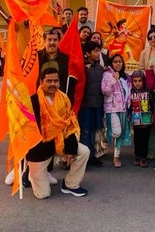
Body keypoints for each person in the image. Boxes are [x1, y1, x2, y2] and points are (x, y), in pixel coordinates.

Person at [25, 68, 89, 199]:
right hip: (39, 149)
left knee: (84, 151)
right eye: (49, 81)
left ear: (59, 83)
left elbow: (69, 123)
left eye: (55, 81)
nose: (52, 84)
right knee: (43, 194)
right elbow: (26, 131)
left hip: (59, 141)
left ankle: (71, 185)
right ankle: (30, 173)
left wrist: (70, 147)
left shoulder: (64, 99)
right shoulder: (32, 101)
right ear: (41, 82)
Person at [101, 54, 132, 167]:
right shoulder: (107, 75)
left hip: (124, 109)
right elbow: (105, 91)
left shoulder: (127, 77)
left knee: (120, 134)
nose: (118, 64)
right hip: (112, 108)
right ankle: (104, 135)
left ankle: (116, 157)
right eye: (115, 62)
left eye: (120, 61)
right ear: (111, 63)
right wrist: (114, 79)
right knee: (116, 132)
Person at [79, 41, 105, 166]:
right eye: (95, 51)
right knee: (85, 131)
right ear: (87, 53)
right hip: (85, 105)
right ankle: (85, 156)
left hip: (97, 104)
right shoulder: (82, 67)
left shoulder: (100, 68)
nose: (97, 53)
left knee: (95, 130)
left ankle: (93, 155)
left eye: (99, 50)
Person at [129, 70, 153, 167]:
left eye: (140, 81)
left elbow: (153, 102)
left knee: (145, 138)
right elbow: (128, 105)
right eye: (135, 81)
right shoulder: (130, 91)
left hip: (147, 119)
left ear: (143, 81)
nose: (137, 83)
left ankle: (144, 157)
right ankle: (137, 156)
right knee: (137, 138)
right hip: (136, 119)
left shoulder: (148, 91)